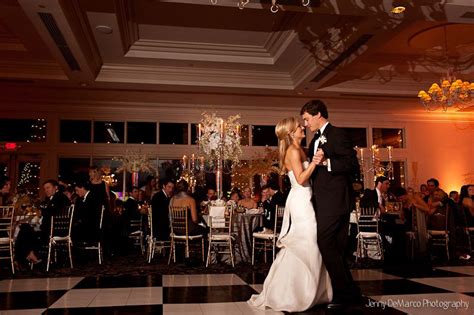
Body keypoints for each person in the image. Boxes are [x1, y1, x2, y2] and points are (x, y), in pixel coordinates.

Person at [248, 117, 332, 312]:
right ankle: (294, 293)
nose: (303, 127)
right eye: (299, 127)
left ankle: (307, 290)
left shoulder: (299, 149)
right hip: (301, 200)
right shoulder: (293, 151)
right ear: (291, 133)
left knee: (308, 242)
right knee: (306, 242)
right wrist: (315, 162)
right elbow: (302, 179)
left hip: (305, 198)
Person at [301, 99, 362, 309]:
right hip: (323, 200)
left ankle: (345, 292)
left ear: (318, 114)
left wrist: (327, 162)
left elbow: (352, 164)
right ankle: (348, 293)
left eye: (307, 119)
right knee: (335, 247)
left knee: (325, 243)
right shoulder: (314, 140)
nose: (306, 124)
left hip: (336, 201)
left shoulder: (338, 134)